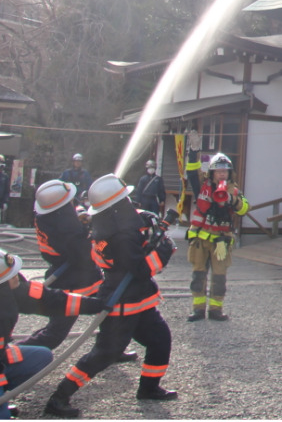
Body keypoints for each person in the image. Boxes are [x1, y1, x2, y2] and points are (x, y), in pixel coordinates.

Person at [43, 173, 178, 418]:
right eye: (126, 200)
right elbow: (141, 269)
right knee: (104, 354)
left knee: (160, 340)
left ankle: (149, 388)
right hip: (122, 304)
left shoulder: (106, 226)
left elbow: (132, 229)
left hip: (138, 302)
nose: (131, 204)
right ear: (117, 206)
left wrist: (147, 222)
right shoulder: (122, 236)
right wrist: (164, 249)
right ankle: (59, 397)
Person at [23, 180, 137, 363]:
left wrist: (81, 217)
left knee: (109, 312)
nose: (73, 203)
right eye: (69, 201)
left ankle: (110, 350)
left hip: (83, 276)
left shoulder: (48, 216)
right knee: (56, 331)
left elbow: (72, 215)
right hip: (72, 280)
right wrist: (91, 235)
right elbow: (83, 253)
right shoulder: (66, 227)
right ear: (61, 207)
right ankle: (16, 354)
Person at [0, 248, 106, 419]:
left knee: (40, 356)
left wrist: (97, 304)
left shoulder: (10, 291)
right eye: (11, 274)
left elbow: (51, 300)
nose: (17, 276)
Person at [185, 152, 249, 322]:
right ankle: (198, 310)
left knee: (219, 277)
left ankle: (216, 310)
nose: (222, 173)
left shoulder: (234, 190)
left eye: (225, 171)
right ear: (212, 172)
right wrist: (193, 153)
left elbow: (244, 209)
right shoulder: (202, 186)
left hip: (221, 241)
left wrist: (231, 199)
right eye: (218, 170)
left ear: (230, 173)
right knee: (198, 275)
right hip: (201, 240)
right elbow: (192, 172)